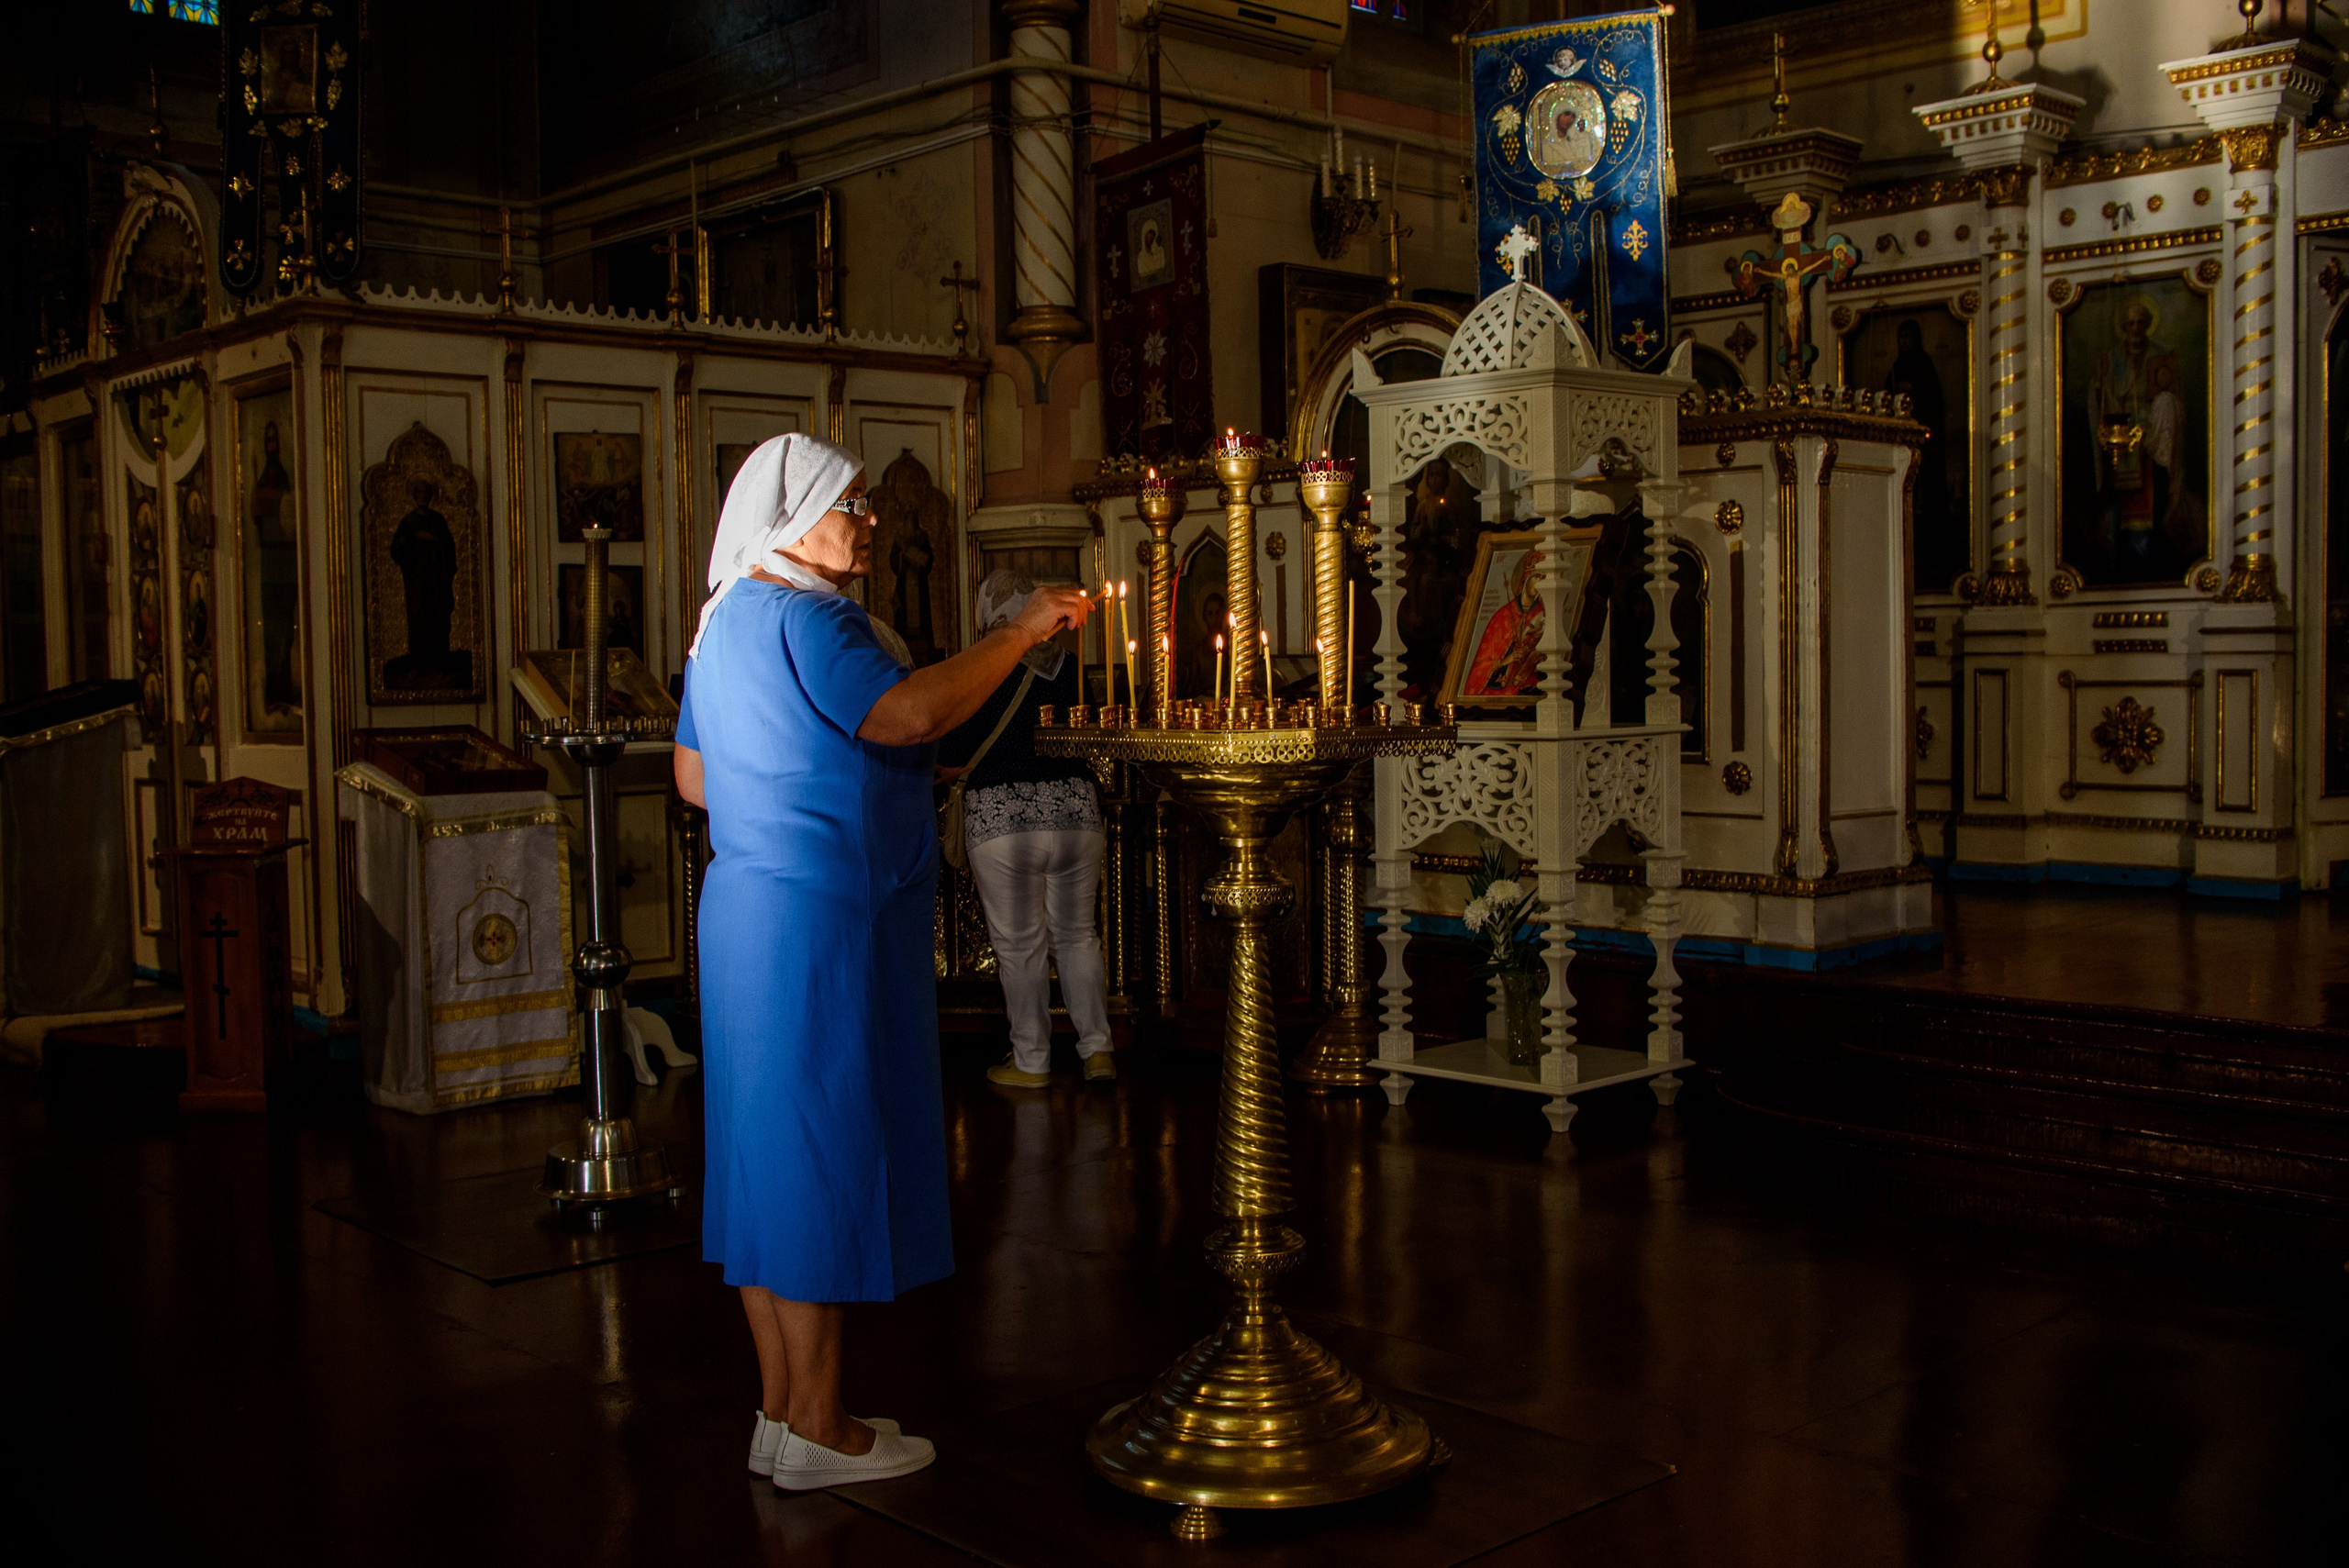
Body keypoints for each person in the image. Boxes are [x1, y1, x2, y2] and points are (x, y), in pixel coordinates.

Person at [672, 433, 1090, 1492]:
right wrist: (1020, 631)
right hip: (819, 921)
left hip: (744, 913)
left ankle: (780, 1411)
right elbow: (907, 711)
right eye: (848, 505)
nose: (868, 521)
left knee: (764, 1161)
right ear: (792, 517)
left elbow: (692, 779)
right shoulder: (813, 617)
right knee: (814, 1159)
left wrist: (802, 792)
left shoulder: (721, 622)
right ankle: (817, 1424)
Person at [938, 570, 1115, 1090]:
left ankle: (1032, 1059)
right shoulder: (1068, 667)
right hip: (1077, 811)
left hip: (1003, 818)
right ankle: (1098, 1050)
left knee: (1020, 945)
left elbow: (952, 753)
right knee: (1079, 936)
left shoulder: (983, 668)